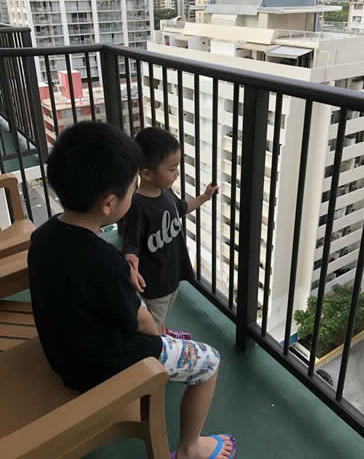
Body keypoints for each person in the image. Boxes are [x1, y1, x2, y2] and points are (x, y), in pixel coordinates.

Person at [28, 121, 236, 459]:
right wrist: (151, 323)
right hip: (100, 367)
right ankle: (190, 447)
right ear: (109, 203)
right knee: (209, 362)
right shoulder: (104, 261)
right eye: (132, 188)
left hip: (65, 354)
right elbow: (145, 326)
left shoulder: (42, 236)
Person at [122, 127, 219, 337]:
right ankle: (159, 346)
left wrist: (205, 197)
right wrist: (131, 264)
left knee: (163, 311)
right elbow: (131, 243)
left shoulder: (166, 192)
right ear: (147, 173)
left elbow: (183, 207)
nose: (177, 174)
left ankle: (163, 331)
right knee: (153, 321)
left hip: (171, 274)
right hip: (155, 282)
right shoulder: (137, 206)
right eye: (172, 169)